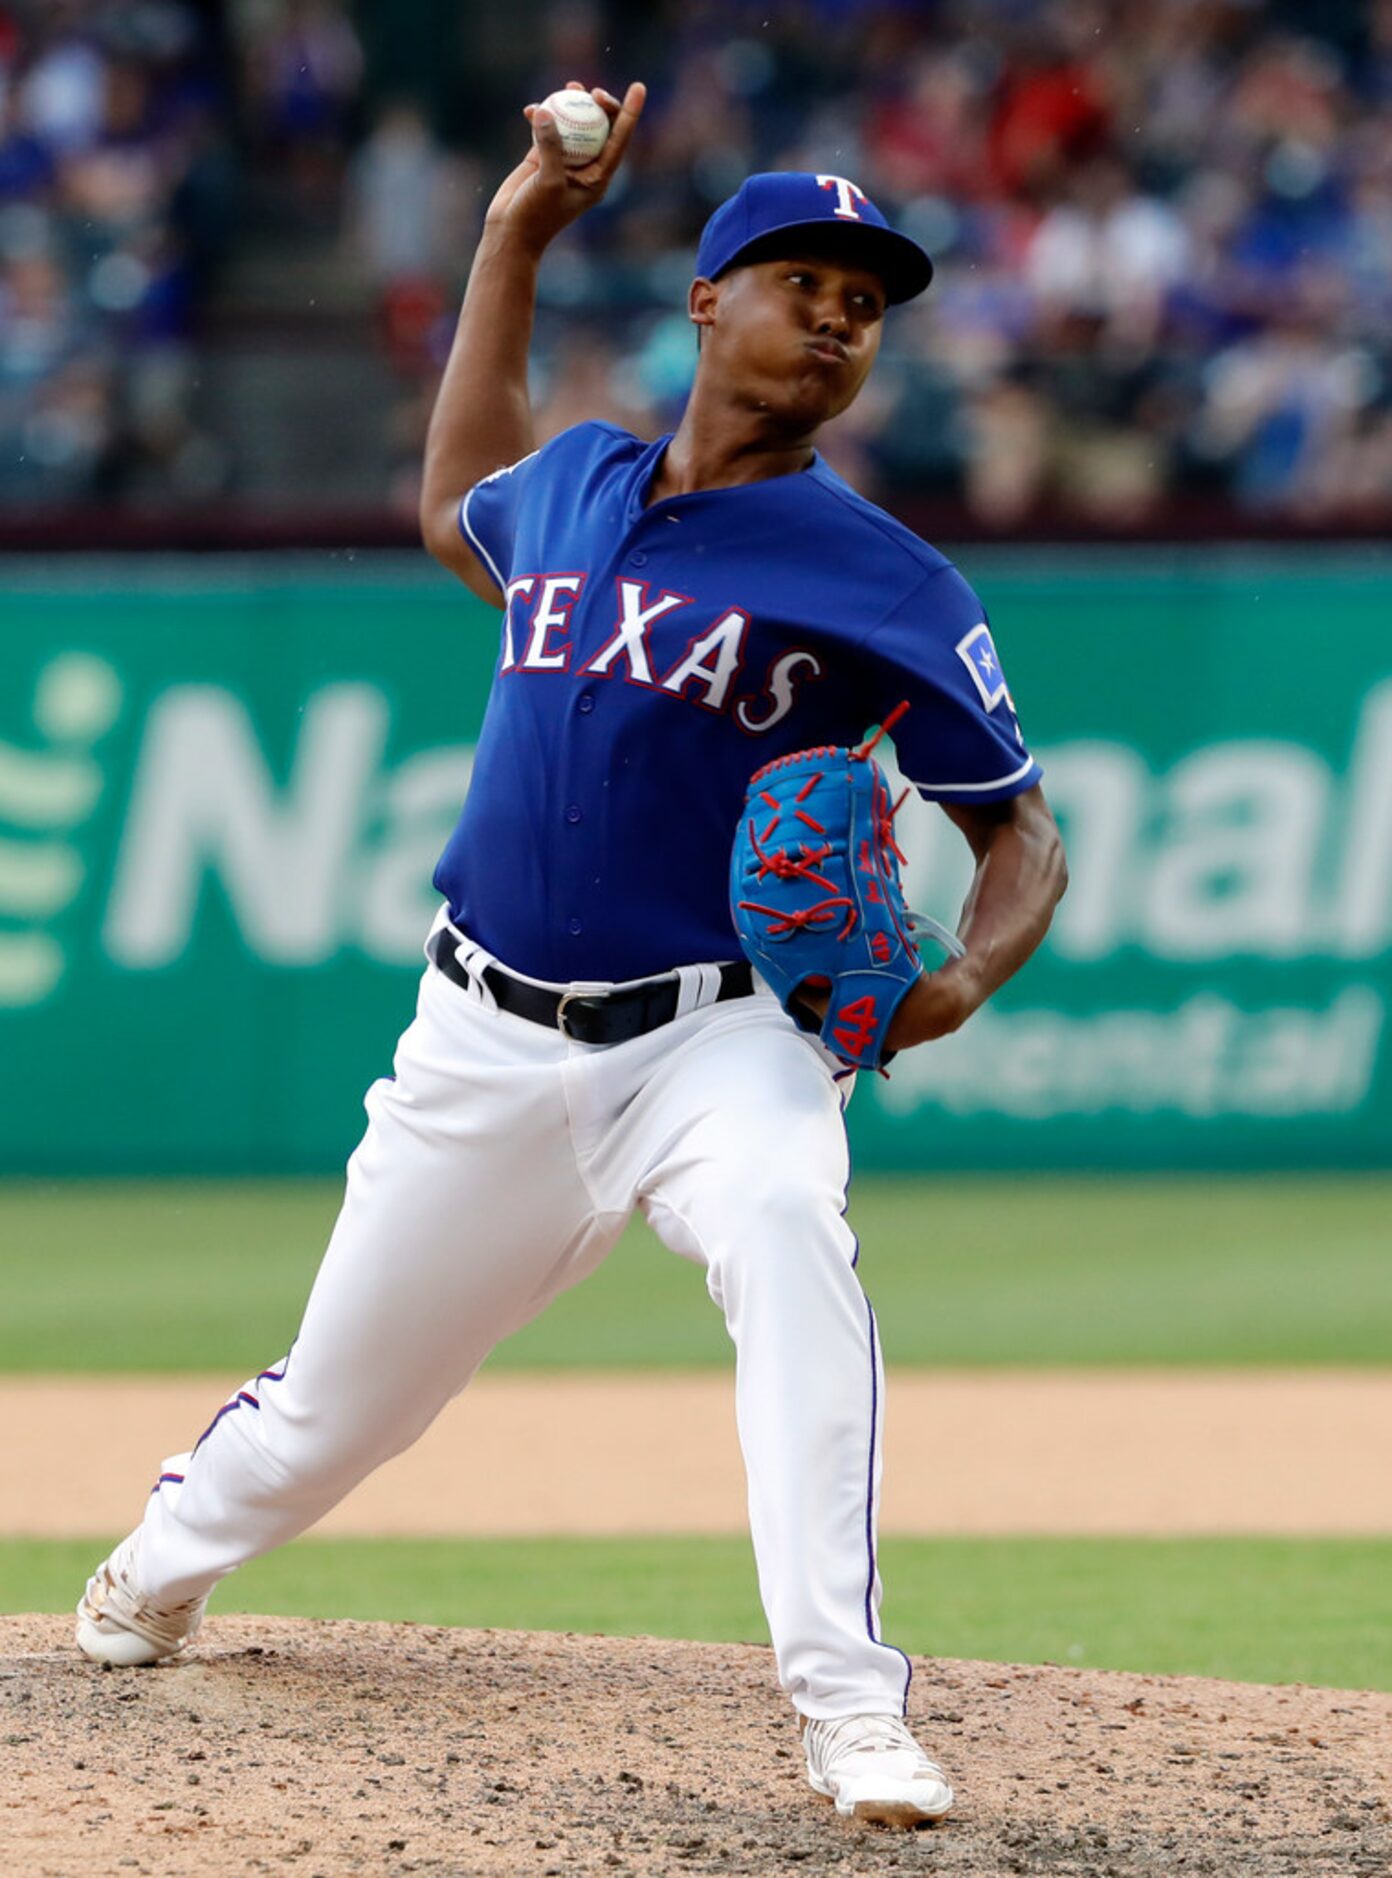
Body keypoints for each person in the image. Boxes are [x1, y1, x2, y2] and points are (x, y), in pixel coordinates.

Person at [76, 81, 1067, 1830]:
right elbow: (458, 490)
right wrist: (518, 223)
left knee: (786, 1224)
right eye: (803, 279)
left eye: (867, 301)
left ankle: (852, 1709)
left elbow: (1018, 827)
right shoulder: (581, 485)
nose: (841, 314)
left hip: (723, 1038)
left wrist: (958, 980)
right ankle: (161, 1559)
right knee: (333, 1417)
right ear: (708, 303)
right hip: (483, 1038)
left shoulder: (888, 577)